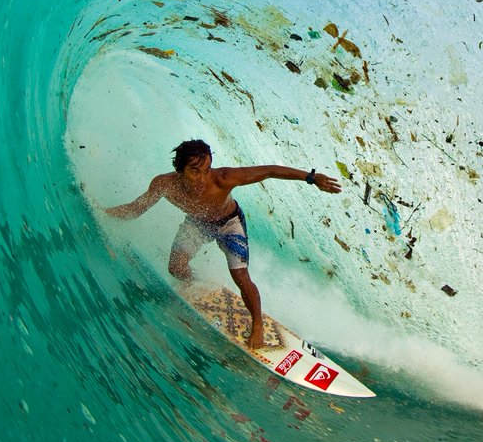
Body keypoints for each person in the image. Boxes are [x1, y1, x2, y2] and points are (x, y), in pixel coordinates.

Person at [102, 140, 341, 349]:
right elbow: (136, 209)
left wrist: (311, 177)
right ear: (179, 169)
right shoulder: (164, 184)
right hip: (198, 223)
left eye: (206, 170)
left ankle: (257, 322)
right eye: (195, 171)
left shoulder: (223, 178)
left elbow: (268, 171)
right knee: (176, 268)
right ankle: (194, 284)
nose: (202, 178)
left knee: (241, 277)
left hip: (229, 225)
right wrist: (100, 211)